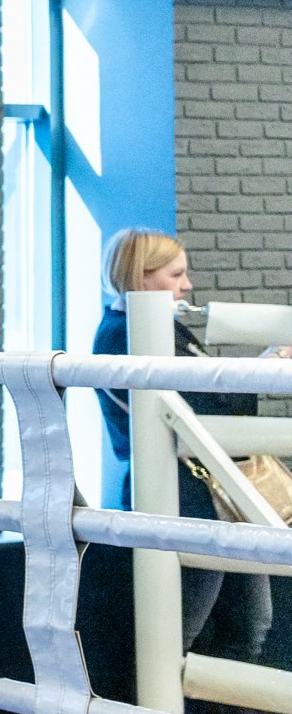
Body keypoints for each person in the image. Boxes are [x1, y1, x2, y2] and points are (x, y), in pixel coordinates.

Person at [94, 229, 275, 665]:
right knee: (180, 629)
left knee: (250, 621)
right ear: (141, 276)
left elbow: (202, 404)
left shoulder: (156, 329)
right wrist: (261, 370)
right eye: (176, 273)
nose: (187, 285)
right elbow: (197, 410)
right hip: (182, 493)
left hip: (205, 489)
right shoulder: (120, 336)